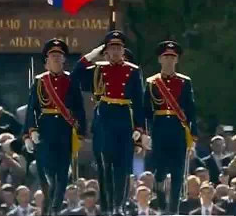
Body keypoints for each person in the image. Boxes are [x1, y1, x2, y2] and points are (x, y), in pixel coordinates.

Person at [72, 30, 146, 215]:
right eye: (111, 48)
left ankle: (119, 206)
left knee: (122, 167)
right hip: (104, 120)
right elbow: (75, 76)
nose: (115, 51)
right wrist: (92, 55)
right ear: (106, 51)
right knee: (105, 166)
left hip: (123, 120)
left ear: (123, 50)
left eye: (118, 48)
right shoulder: (98, 69)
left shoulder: (133, 71)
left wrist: (139, 129)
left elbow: (139, 102)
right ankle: (107, 207)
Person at [23, 38, 86, 216]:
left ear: (64, 60)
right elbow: (31, 110)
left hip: (64, 133)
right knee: (46, 174)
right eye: (53, 56)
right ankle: (49, 208)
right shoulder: (39, 82)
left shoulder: (71, 81)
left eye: (59, 56)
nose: (57, 59)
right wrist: (30, 132)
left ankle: (54, 210)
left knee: (62, 175)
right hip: (44, 133)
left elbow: (79, 109)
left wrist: (80, 134)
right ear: (46, 61)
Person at [144, 40, 198, 214]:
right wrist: (145, 133)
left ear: (177, 60)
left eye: (172, 57)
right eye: (165, 57)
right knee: (159, 171)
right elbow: (145, 110)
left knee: (177, 172)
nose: (169, 60)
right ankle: (159, 197)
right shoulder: (152, 82)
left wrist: (194, 135)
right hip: (159, 130)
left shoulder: (185, 82)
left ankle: (173, 210)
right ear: (160, 60)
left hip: (178, 130)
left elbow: (191, 109)